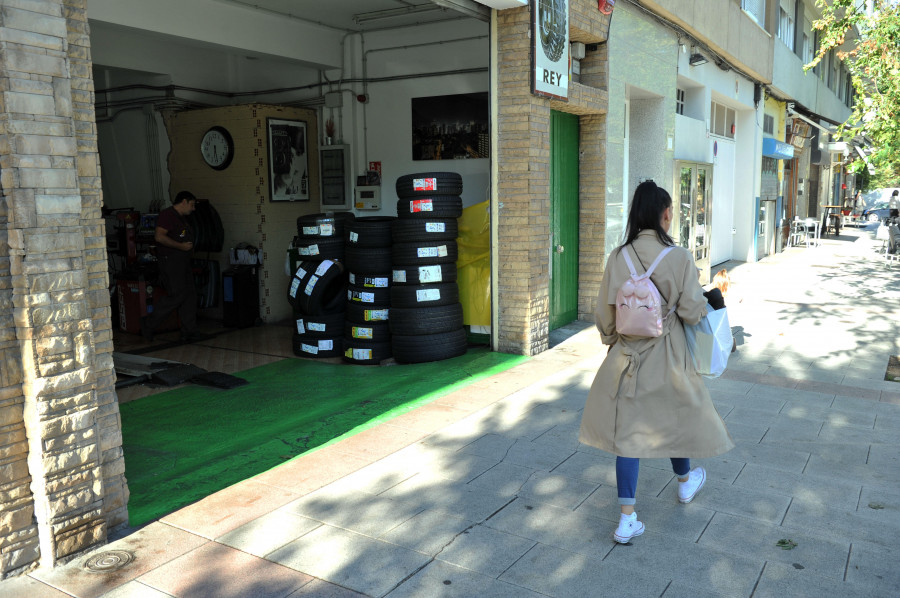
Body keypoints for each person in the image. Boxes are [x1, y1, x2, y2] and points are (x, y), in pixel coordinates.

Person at [579, 180, 735, 544]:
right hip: (669, 357)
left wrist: (612, 340)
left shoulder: (618, 257)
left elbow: (605, 315)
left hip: (627, 358)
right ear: (665, 215)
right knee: (675, 420)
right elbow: (693, 313)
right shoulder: (679, 257)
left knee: (628, 436)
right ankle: (684, 483)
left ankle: (626, 519)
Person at [141, 191, 198, 342]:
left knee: (190, 295)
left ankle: (189, 331)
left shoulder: (182, 218)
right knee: (177, 295)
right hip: (171, 261)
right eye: (192, 205)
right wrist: (180, 246)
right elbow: (159, 236)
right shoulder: (167, 215)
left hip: (183, 262)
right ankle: (148, 324)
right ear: (183, 201)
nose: (193, 209)